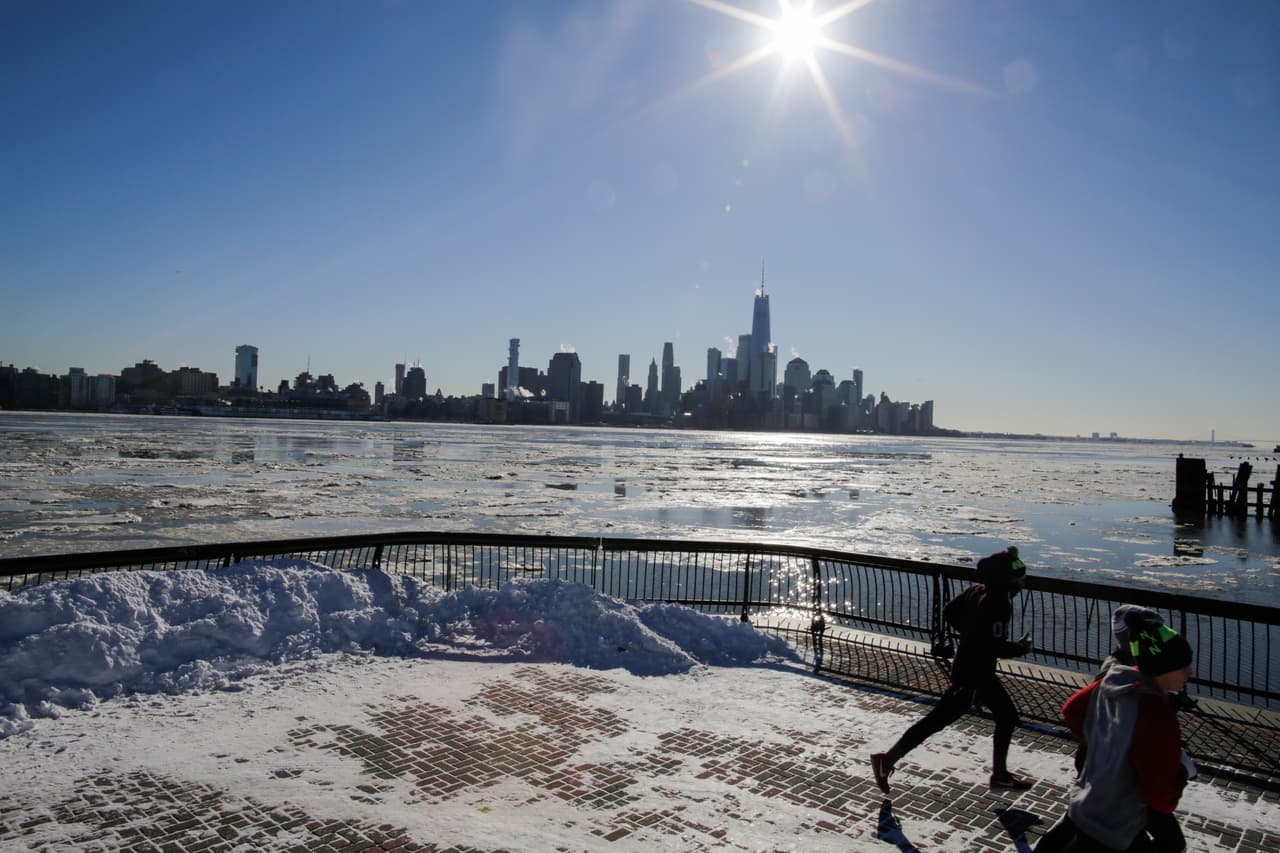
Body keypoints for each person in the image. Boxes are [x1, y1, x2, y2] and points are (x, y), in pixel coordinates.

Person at [870, 546, 1034, 794]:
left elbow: (949, 612)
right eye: (1019, 576)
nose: (1023, 580)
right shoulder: (999, 603)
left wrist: (968, 634)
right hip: (975, 674)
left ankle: (999, 775)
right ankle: (887, 760)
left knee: (994, 716)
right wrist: (1022, 647)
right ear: (1006, 579)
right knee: (943, 720)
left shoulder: (977, 591)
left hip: (969, 668)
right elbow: (996, 645)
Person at [1034, 607, 1196, 852]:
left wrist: (1104, 745)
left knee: (1073, 830)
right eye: (1184, 666)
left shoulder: (1115, 678)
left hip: (1092, 795)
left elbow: (1072, 709)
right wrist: (1183, 771)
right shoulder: (1157, 714)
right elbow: (1161, 797)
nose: (1190, 673)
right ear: (1165, 667)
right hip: (1117, 820)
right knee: (1171, 843)